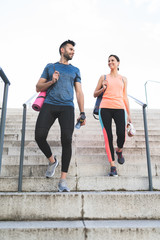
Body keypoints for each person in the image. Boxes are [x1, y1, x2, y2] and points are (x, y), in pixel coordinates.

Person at [35, 40, 86, 192]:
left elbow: (79, 92)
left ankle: (62, 180)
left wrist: (82, 112)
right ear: (62, 49)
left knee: (66, 140)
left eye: (74, 50)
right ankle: (52, 161)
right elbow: (38, 87)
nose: (73, 52)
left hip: (67, 107)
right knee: (39, 136)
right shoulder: (50, 67)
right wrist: (52, 81)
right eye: (71, 49)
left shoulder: (75, 70)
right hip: (49, 105)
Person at [93, 54, 131, 177]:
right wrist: (103, 88)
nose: (110, 62)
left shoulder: (123, 79)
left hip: (119, 108)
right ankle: (112, 166)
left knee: (122, 134)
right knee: (107, 136)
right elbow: (94, 94)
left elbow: (125, 96)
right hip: (104, 108)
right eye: (108, 61)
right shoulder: (103, 77)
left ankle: (119, 150)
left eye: (112, 60)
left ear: (118, 63)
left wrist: (129, 114)